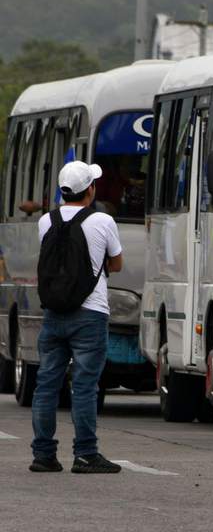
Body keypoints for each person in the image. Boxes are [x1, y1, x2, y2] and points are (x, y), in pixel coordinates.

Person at [29, 161, 123, 474]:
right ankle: (85, 454)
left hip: (54, 313)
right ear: (90, 189)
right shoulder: (103, 220)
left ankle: (43, 455)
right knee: (84, 387)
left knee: (46, 385)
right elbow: (117, 263)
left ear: (62, 190)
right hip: (90, 314)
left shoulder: (46, 221)